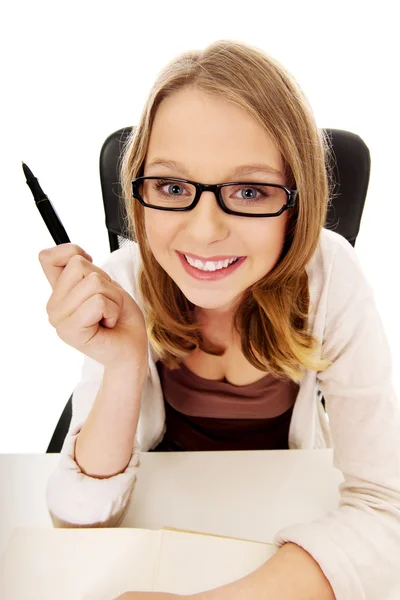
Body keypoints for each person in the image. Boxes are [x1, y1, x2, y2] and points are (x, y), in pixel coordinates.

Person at [39, 39, 400, 600]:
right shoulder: (127, 277)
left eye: (251, 190)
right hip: (166, 515)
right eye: (173, 187)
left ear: (299, 201)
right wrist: (125, 361)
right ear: (140, 192)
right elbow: (80, 520)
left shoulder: (333, 278)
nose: (204, 231)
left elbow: (389, 511)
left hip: (280, 514)